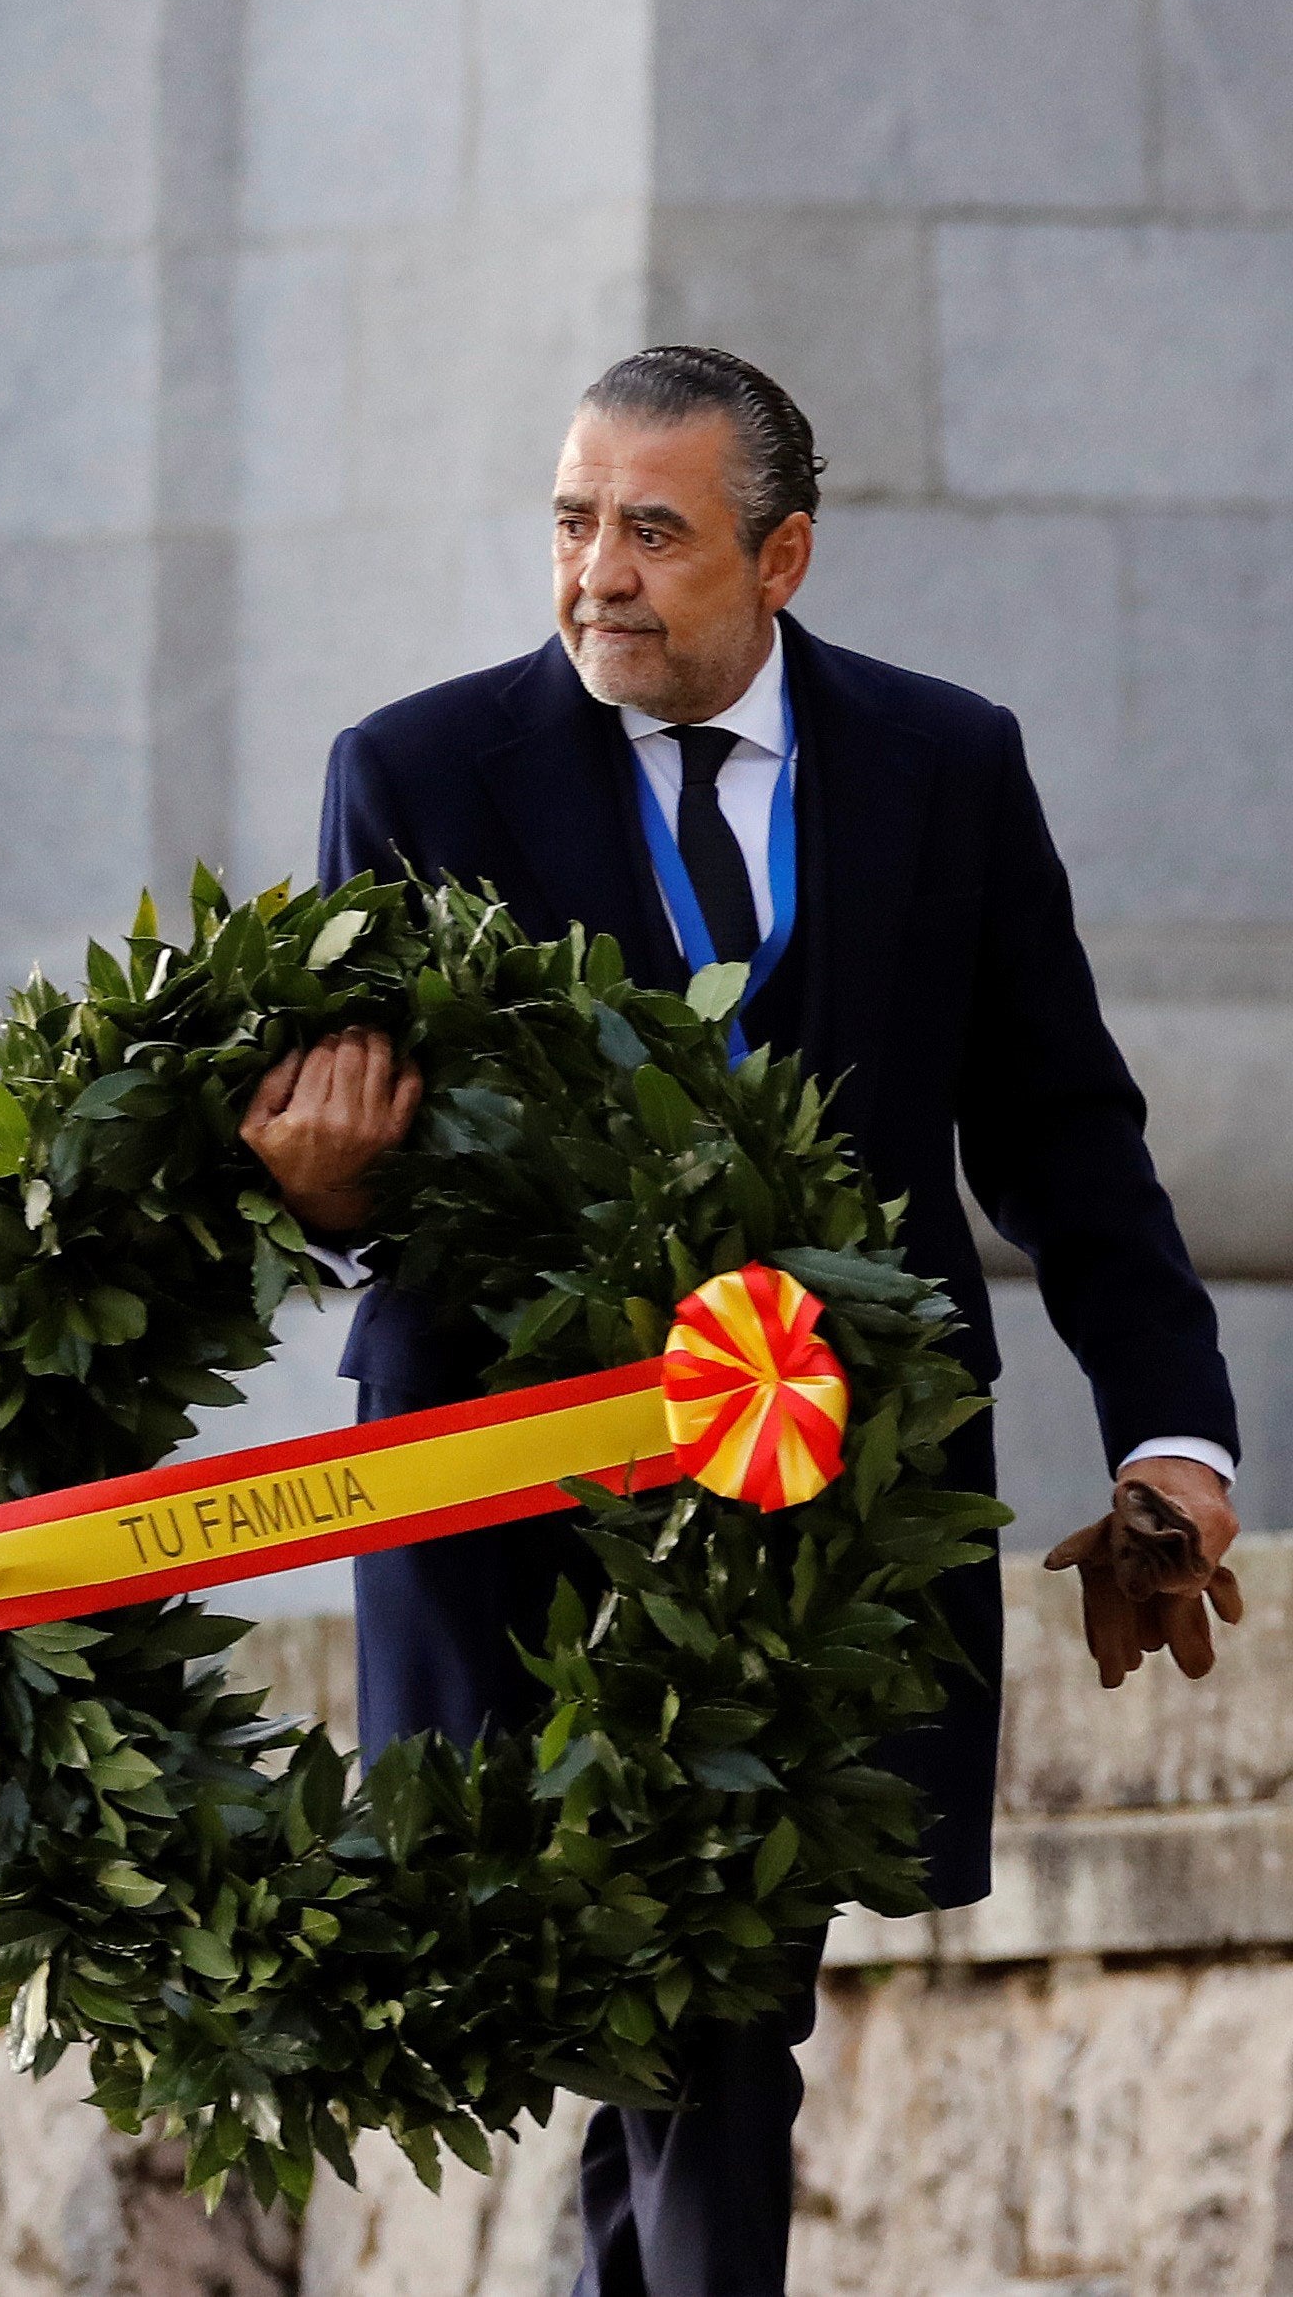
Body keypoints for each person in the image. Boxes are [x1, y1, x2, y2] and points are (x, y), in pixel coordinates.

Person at [239, 345, 1241, 2297]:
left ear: (778, 554)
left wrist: (1168, 1434)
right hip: (522, 1514)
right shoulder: (416, 773)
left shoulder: (941, 766)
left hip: (833, 1505)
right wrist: (329, 1195)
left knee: (707, 1991)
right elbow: (342, 1164)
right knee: (673, 2003)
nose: (594, 571)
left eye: (651, 530)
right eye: (567, 521)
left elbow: (1059, 1135)